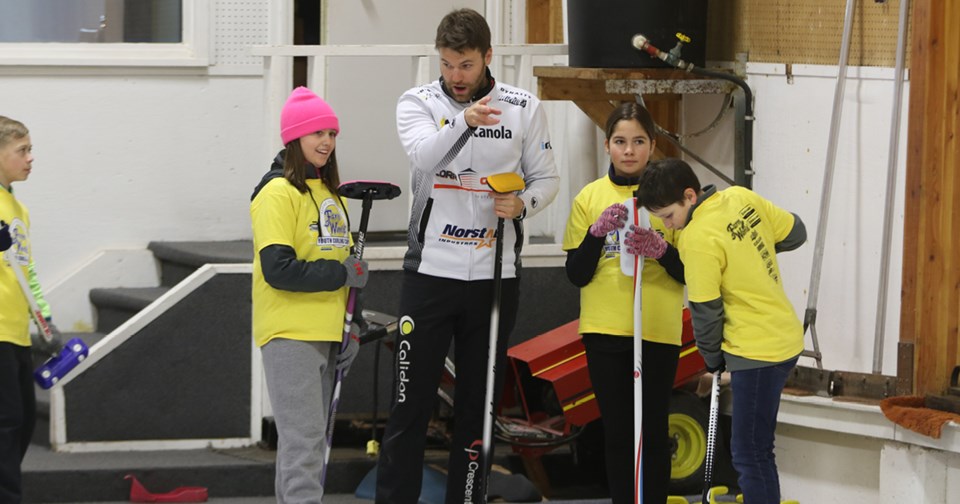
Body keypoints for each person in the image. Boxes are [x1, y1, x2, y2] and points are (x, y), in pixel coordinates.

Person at [375, 8, 560, 503]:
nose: (456, 76)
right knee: (409, 404)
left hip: (497, 277)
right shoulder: (417, 101)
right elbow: (424, 157)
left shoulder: (524, 106)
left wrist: (524, 203)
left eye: (467, 65)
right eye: (448, 64)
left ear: (488, 58)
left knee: (478, 411)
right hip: (430, 273)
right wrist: (464, 121)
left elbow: (547, 179)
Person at [635, 158, 807, 504]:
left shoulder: (696, 238)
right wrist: (749, 255)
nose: (669, 225)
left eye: (668, 216)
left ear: (689, 196)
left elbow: (706, 311)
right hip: (784, 337)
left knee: (750, 454)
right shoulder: (741, 197)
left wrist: (711, 359)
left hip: (756, 348)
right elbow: (796, 232)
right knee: (757, 449)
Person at [250, 87, 369, 503]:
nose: (326, 142)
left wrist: (355, 327)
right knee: (303, 447)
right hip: (290, 332)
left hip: (329, 332)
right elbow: (278, 269)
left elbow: (344, 273)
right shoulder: (276, 193)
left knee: (309, 445)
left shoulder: (332, 195)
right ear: (294, 138)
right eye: (317, 133)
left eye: (332, 133)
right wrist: (341, 272)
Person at [562, 103, 685, 504]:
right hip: (605, 330)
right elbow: (576, 274)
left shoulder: (672, 196)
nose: (628, 151)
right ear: (607, 146)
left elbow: (690, 272)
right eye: (620, 142)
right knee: (617, 432)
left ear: (652, 145)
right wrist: (596, 236)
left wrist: (662, 250)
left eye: (638, 142)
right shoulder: (590, 197)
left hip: (658, 329)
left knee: (652, 431)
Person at [1, 115, 62, 503]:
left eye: (30, 150)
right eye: (22, 151)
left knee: (21, 424)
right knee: (6, 424)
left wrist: (44, 315)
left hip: (17, 331)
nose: (30, 158)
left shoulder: (17, 209)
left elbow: (26, 269)